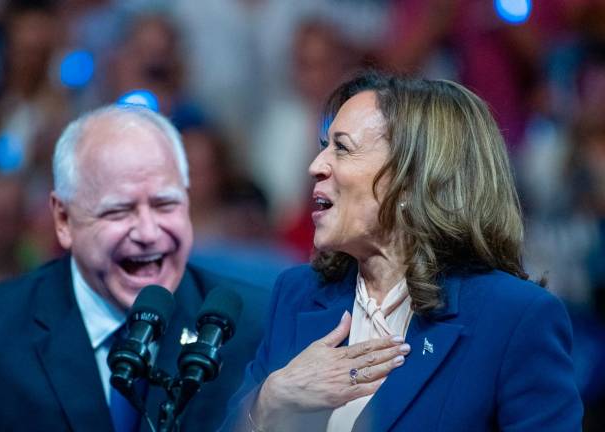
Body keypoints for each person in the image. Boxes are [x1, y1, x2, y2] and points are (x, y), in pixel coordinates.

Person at [220, 71, 583, 432]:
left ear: (411, 180)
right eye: (323, 146)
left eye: (342, 148)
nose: (316, 166)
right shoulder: (298, 294)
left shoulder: (513, 317)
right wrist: (269, 401)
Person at [0, 105, 268, 431]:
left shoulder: (257, 329)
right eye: (119, 210)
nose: (148, 232)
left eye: (165, 205)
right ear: (63, 219)